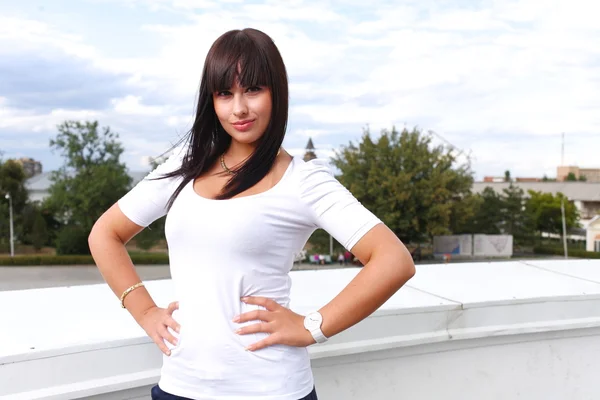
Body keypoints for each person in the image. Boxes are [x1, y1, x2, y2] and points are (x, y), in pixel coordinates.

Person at [88, 28, 415, 400]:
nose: (238, 108)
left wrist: (312, 326)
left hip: (270, 389)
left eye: (253, 90)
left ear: (277, 92)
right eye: (225, 93)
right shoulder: (186, 166)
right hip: (180, 385)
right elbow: (105, 234)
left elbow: (393, 260)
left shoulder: (302, 180)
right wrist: (144, 311)